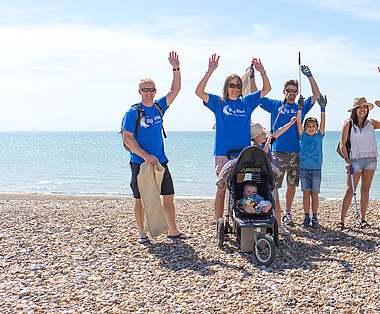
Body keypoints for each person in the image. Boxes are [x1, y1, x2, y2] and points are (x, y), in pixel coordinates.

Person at [121, 51, 190, 244]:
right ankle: (142, 233)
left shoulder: (159, 107)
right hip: (140, 163)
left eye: (152, 89)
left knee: (168, 196)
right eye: (145, 90)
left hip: (160, 161)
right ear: (139, 92)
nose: (149, 92)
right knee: (140, 199)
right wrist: (144, 155)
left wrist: (176, 69)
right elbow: (128, 138)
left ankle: (173, 230)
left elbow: (175, 90)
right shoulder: (133, 112)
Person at [195, 55, 271, 224]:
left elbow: (266, 89)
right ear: (227, 87)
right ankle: (219, 221)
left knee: (237, 188)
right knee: (222, 188)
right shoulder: (218, 102)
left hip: (243, 155)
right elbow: (199, 92)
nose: (235, 88)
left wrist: (262, 72)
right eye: (232, 85)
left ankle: (237, 218)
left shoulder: (247, 102)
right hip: (223, 153)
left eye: (238, 85)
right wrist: (210, 71)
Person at [256, 65, 322, 227]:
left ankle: (287, 213)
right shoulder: (275, 105)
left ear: (297, 92)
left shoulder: (301, 105)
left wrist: (310, 75)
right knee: (274, 185)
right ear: (284, 91)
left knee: (292, 185)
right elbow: (256, 97)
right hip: (277, 151)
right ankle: (272, 212)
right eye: (289, 90)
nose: (292, 93)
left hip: (296, 152)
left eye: (294, 90)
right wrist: (254, 76)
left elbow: (316, 95)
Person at [337, 97, 380, 229]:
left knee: (365, 190)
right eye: (360, 107)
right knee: (350, 191)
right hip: (354, 160)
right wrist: (347, 160)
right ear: (355, 110)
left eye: (365, 107)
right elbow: (342, 144)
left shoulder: (371, 123)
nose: (362, 110)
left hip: (371, 160)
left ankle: (363, 219)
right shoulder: (348, 123)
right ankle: (341, 221)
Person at [296, 95, 327, 228]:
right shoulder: (302, 136)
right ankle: (306, 217)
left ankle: (315, 217)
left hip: (316, 170)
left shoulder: (319, 136)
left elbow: (323, 122)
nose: (310, 128)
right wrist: (300, 109)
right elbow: (298, 123)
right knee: (305, 194)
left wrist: (322, 109)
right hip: (303, 169)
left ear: (317, 128)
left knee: (314, 194)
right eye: (308, 126)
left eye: (313, 126)